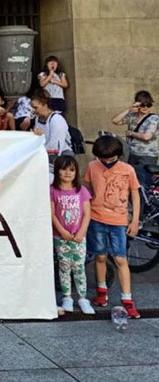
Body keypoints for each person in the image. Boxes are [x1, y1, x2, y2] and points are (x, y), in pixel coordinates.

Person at [84, 136, 141, 319]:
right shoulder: (93, 166)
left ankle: (127, 299)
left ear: (119, 155)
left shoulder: (127, 170)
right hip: (96, 217)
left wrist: (134, 220)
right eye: (103, 159)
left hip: (119, 219)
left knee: (120, 259)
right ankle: (102, 289)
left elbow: (135, 194)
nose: (107, 162)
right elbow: (89, 188)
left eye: (111, 159)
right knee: (99, 256)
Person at [49, 156, 94, 315]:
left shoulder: (81, 190)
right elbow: (52, 213)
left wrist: (82, 231)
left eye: (72, 170)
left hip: (79, 236)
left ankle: (83, 297)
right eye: (64, 169)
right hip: (61, 236)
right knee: (64, 265)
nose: (68, 173)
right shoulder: (52, 190)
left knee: (79, 266)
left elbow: (87, 213)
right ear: (57, 171)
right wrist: (62, 231)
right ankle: (67, 297)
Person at [114, 90, 159, 187]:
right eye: (143, 105)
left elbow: (147, 136)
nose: (146, 108)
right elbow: (115, 121)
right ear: (137, 104)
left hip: (147, 155)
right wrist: (128, 110)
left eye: (149, 105)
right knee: (133, 183)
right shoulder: (132, 116)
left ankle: (145, 202)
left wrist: (131, 133)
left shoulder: (154, 118)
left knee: (144, 183)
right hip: (132, 154)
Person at [32, 90, 72, 180]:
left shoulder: (57, 120)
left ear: (45, 105)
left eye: (36, 108)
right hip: (45, 158)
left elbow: (55, 148)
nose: (34, 111)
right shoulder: (37, 119)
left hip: (60, 159)